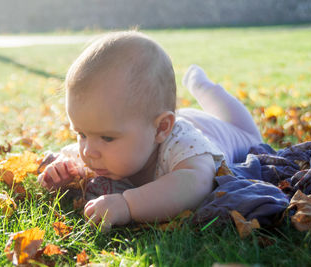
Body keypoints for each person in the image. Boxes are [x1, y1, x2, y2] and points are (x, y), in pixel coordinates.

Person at [38, 31, 262, 230]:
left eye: (106, 137)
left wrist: (128, 205)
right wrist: (61, 175)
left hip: (224, 131)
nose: (88, 152)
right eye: (81, 134)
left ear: (161, 129)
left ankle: (203, 87)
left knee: (244, 127)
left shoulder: (184, 147)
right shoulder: (99, 145)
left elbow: (196, 184)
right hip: (170, 118)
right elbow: (68, 160)